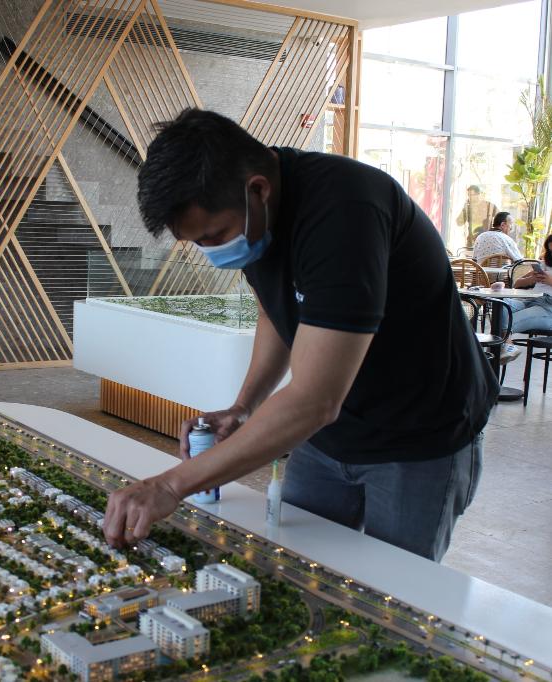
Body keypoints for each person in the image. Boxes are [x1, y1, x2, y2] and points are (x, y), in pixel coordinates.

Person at [102, 109, 499, 562]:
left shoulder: (345, 212)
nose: (211, 251)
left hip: (418, 436)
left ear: (258, 190)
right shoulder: (256, 218)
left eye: (214, 235)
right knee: (298, 565)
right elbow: (275, 313)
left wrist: (171, 485)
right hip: (329, 434)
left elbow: (314, 400)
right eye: (199, 242)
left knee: (393, 585)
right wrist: (243, 406)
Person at [504, 234, 552, 334]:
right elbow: (516, 284)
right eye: (550, 251)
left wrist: (550, 281)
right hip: (530, 300)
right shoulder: (543, 265)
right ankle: (506, 340)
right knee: (500, 304)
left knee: (506, 323)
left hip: (548, 307)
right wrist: (531, 279)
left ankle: (504, 340)